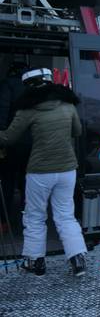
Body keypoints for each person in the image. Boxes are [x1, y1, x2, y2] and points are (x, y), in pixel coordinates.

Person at [0, 68, 87, 277]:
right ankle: (78, 259)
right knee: (66, 215)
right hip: (67, 169)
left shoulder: (28, 110)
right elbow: (78, 132)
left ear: (28, 87)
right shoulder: (68, 106)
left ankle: (35, 262)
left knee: (35, 216)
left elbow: (8, 138)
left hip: (40, 171)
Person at [0, 62, 30, 232]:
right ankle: (27, 221)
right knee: (27, 183)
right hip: (31, 144)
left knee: (7, 182)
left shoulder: (7, 85)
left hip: (12, 142)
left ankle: (4, 221)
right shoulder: (32, 88)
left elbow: (2, 112)